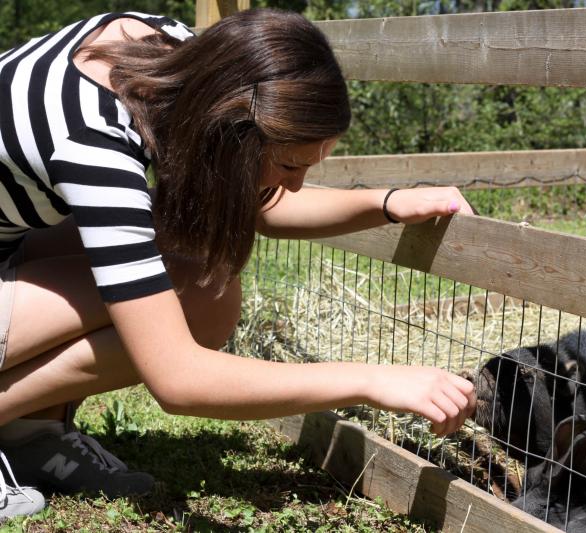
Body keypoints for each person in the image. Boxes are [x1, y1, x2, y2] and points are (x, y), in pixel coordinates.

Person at [0, 8, 476, 520]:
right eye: (290, 164)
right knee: (183, 306)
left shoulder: (177, 54)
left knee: (204, 287)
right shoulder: (92, 141)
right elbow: (177, 378)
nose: (293, 184)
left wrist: (387, 202)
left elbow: (266, 208)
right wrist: (374, 380)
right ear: (229, 127)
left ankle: (30, 432)